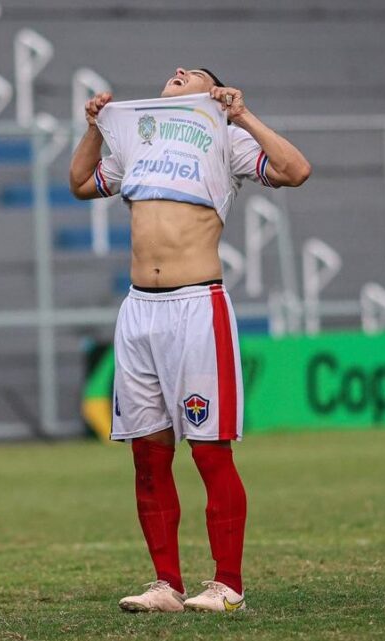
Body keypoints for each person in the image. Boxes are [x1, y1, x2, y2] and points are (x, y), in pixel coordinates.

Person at [69, 68, 311, 613]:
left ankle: (228, 586)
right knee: (147, 457)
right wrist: (93, 128)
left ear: (210, 92)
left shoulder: (225, 135)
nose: (177, 73)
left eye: (192, 74)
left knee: (208, 451)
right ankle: (166, 585)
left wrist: (240, 113)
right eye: (175, 71)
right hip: (139, 312)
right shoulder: (138, 134)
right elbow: (80, 184)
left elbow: (296, 170)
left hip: (196, 307)